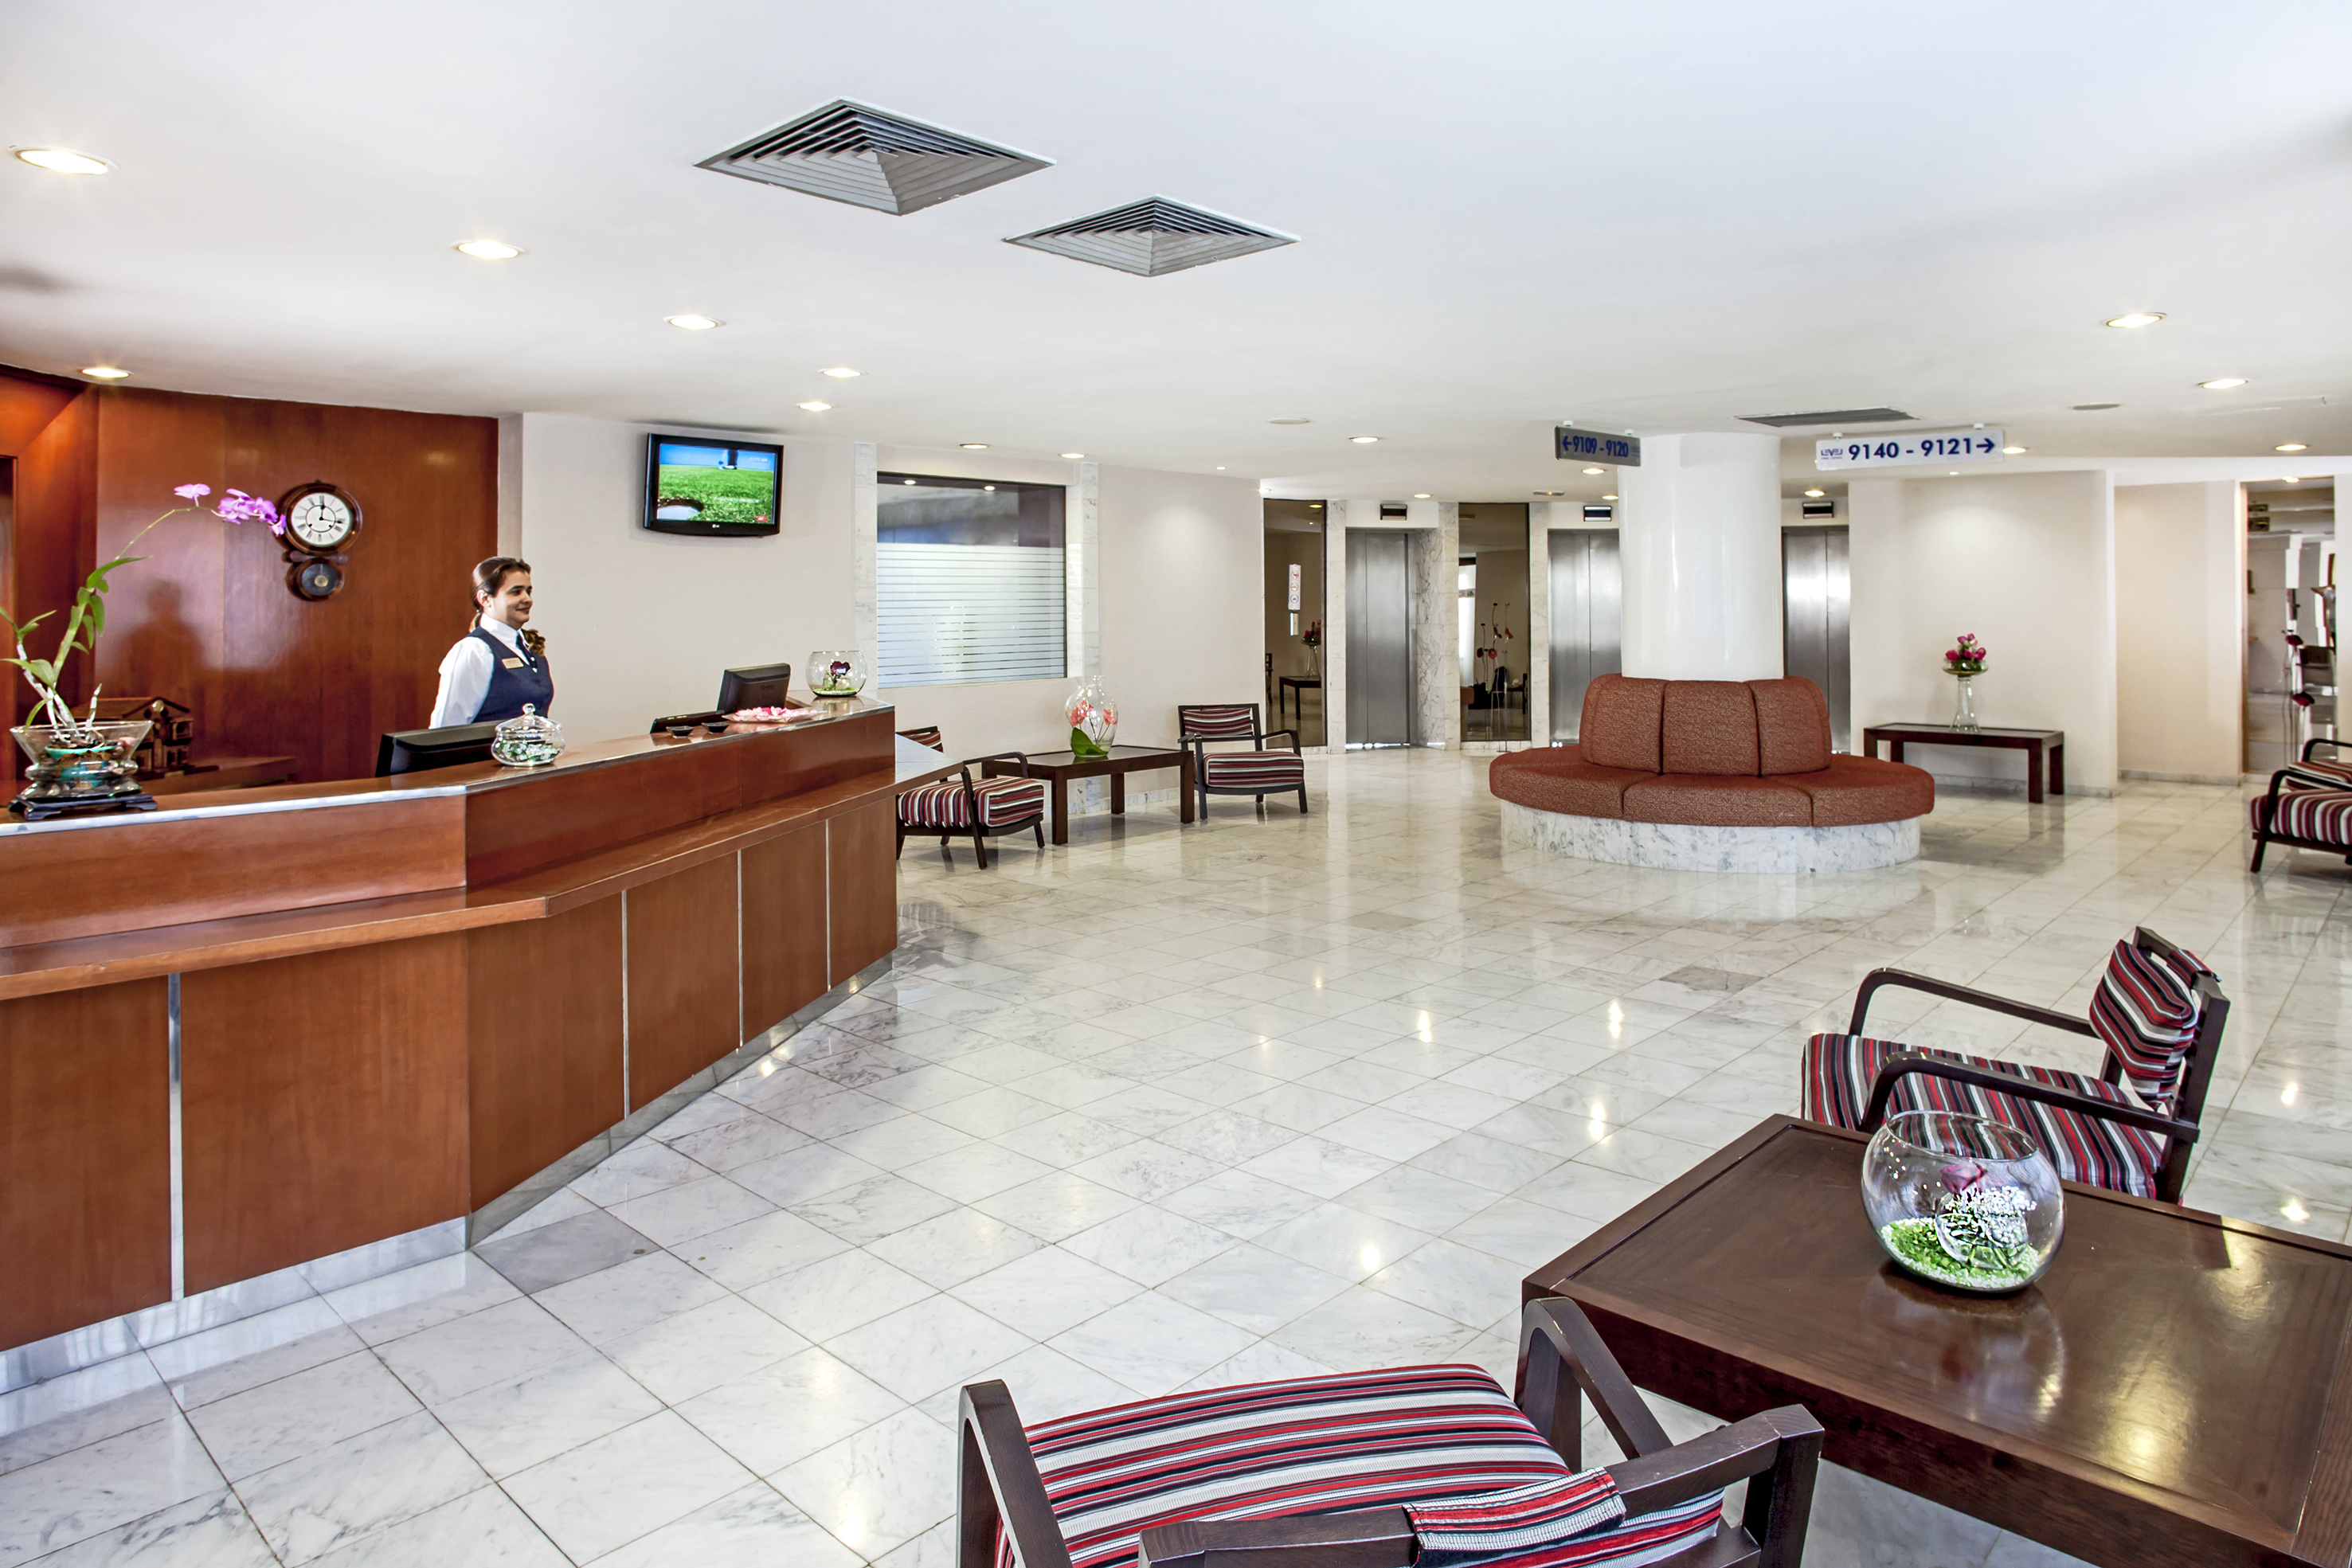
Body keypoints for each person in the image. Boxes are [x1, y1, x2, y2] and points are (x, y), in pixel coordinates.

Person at [429, 555, 553, 726]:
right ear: (485, 599)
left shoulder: (528, 647)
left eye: (528, 591)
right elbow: (445, 730)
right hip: (485, 754)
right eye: (516, 592)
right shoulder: (475, 650)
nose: (527, 599)